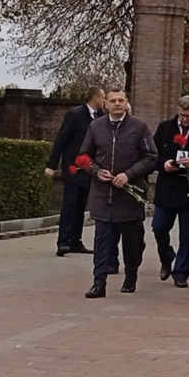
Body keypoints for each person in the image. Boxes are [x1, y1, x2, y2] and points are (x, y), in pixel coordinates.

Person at [80, 88, 158, 298]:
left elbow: (151, 157)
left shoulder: (138, 127)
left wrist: (129, 174)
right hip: (103, 195)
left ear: (126, 103)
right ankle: (99, 282)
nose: (116, 104)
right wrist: (96, 172)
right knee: (102, 240)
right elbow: (84, 157)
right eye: (112, 101)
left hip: (129, 196)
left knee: (132, 241)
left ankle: (131, 274)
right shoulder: (96, 126)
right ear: (105, 104)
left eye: (120, 100)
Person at [45, 87, 105, 257]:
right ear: (94, 98)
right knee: (70, 204)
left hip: (89, 168)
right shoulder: (75, 114)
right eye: (103, 97)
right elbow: (61, 139)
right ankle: (62, 241)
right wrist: (52, 164)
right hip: (73, 167)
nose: (105, 101)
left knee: (81, 205)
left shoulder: (101, 118)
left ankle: (75, 241)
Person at [151, 95, 189, 288]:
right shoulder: (165, 127)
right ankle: (167, 256)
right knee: (159, 227)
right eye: (182, 115)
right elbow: (152, 155)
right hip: (168, 186)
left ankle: (180, 270)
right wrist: (163, 164)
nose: (185, 120)